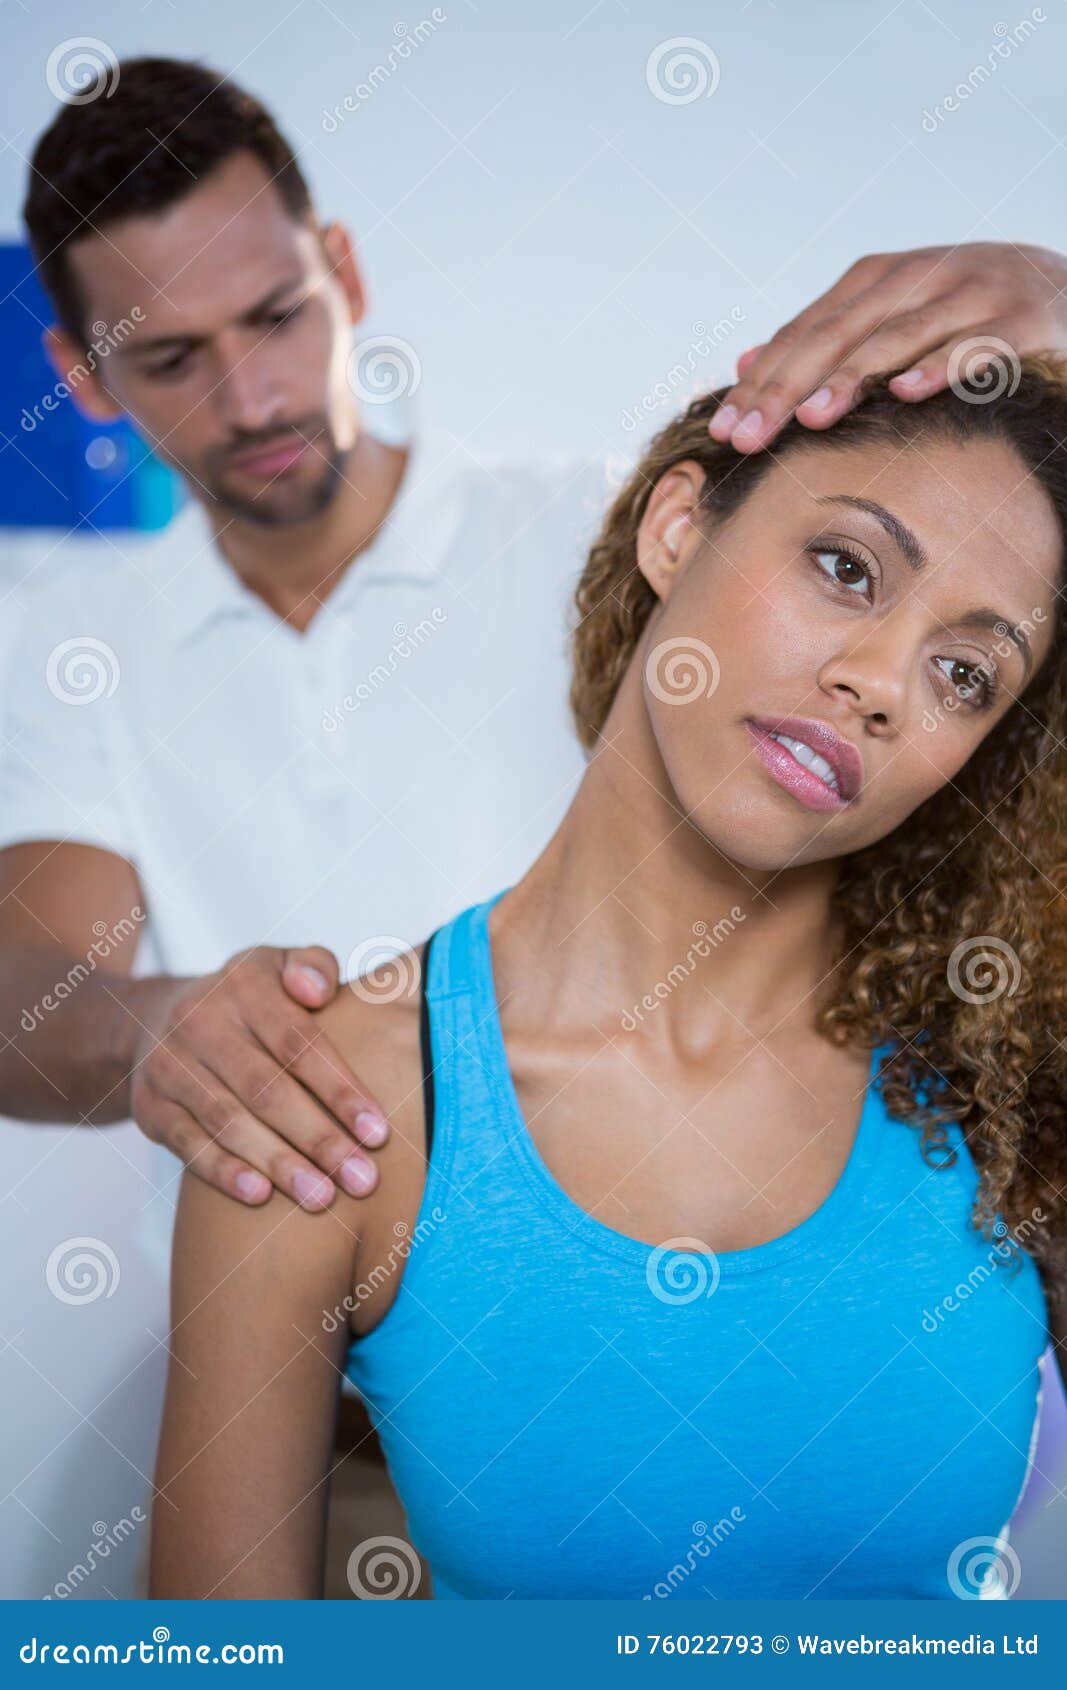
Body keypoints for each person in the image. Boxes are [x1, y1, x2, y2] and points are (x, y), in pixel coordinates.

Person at [4, 56, 1067, 1238]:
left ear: (344, 276)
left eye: (275, 317)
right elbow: (25, 994)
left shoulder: (590, 535)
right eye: (171, 357)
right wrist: (157, 1027)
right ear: (84, 379)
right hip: (265, 1334)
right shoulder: (71, 639)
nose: (252, 399)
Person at [150, 358, 1067, 1600]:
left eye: (966, 673)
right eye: (845, 568)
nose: (879, 682)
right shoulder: (328, 1100)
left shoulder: (1007, 1080)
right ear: (676, 526)